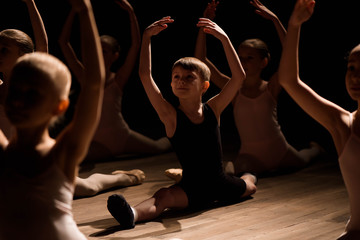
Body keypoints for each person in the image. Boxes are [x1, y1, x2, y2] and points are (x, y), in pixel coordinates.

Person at [106, 16, 257, 229]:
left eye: (188, 77)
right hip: (191, 189)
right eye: (176, 77)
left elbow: (238, 76)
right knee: (163, 196)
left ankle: (248, 174)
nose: (181, 81)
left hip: (220, 183)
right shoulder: (169, 114)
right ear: (170, 83)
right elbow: (144, 74)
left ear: (204, 86)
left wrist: (223, 38)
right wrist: (147, 37)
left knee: (250, 186)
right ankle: (131, 213)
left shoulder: (213, 108)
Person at [0, 0, 145, 199]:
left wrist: (31, 3)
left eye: (3, 50)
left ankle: (124, 178)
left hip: (38, 159)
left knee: (89, 187)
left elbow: (43, 45)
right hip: (13, 162)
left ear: (24, 54)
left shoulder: (34, 83)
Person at [166, 0, 322, 181]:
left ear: (264, 62)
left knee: (305, 157)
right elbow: (200, 61)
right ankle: (193, 174)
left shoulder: (271, 86)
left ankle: (316, 149)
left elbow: (290, 53)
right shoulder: (232, 88)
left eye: (249, 58)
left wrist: (276, 21)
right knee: (234, 172)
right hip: (251, 157)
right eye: (240, 57)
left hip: (281, 151)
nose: (243, 62)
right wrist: (204, 27)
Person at [0, 0, 105, 238]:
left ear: (59, 107)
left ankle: (121, 177)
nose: (17, 101)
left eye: (32, 95)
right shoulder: (4, 155)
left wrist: (85, 12)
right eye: (15, 93)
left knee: (88, 186)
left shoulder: (64, 152)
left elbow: (94, 84)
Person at [278, 0, 360, 239]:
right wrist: (294, 26)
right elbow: (289, 81)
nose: (355, 77)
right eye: (351, 68)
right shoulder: (344, 124)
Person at [59, 0, 171, 163]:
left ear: (114, 55)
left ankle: (181, 134)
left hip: (122, 136)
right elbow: (63, 42)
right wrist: (75, 10)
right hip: (98, 143)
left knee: (160, 147)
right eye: (96, 48)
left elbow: (135, 45)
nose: (98, 53)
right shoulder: (85, 77)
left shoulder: (118, 78)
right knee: (73, 158)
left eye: (103, 50)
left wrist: (131, 13)